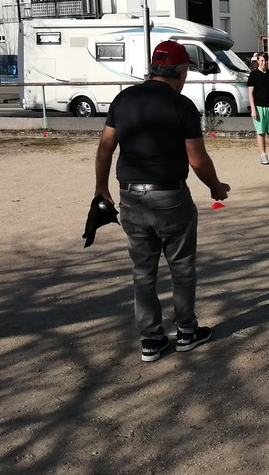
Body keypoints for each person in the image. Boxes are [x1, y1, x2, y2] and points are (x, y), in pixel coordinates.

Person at [94, 40, 230, 362]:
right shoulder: (181, 105)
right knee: (181, 267)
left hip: (129, 194)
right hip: (169, 195)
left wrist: (101, 188)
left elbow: (104, 148)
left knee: (143, 271)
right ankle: (185, 332)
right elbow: (196, 159)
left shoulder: (123, 99)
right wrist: (215, 187)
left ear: (154, 69)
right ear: (181, 71)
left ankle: (151, 340)